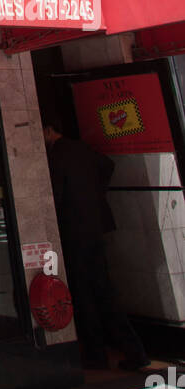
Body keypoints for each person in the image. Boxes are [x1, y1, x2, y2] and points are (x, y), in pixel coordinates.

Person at [42, 115, 149, 372]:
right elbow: (107, 165)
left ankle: (95, 354)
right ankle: (133, 350)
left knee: (84, 294)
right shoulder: (82, 149)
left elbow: (55, 196)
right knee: (103, 290)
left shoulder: (57, 156)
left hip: (74, 231)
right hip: (95, 228)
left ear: (48, 129)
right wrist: (95, 194)